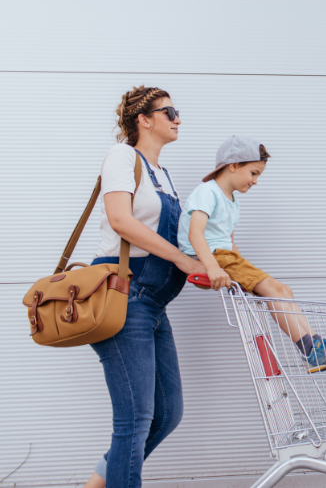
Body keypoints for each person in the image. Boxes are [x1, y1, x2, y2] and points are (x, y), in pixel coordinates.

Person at [83, 86, 205, 488]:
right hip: (125, 298)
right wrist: (180, 258)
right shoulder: (122, 156)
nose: (178, 119)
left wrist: (208, 263)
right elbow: (121, 220)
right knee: (134, 419)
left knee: (167, 414)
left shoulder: (163, 177)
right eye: (169, 111)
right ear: (144, 119)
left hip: (153, 304)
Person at [177, 135, 326, 373]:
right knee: (274, 290)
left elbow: (230, 242)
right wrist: (212, 267)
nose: (255, 181)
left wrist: (245, 273)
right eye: (253, 173)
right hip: (210, 256)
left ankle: (315, 342)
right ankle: (310, 351)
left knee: (283, 290)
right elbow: (195, 233)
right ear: (233, 165)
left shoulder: (231, 201)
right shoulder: (207, 192)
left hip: (226, 256)